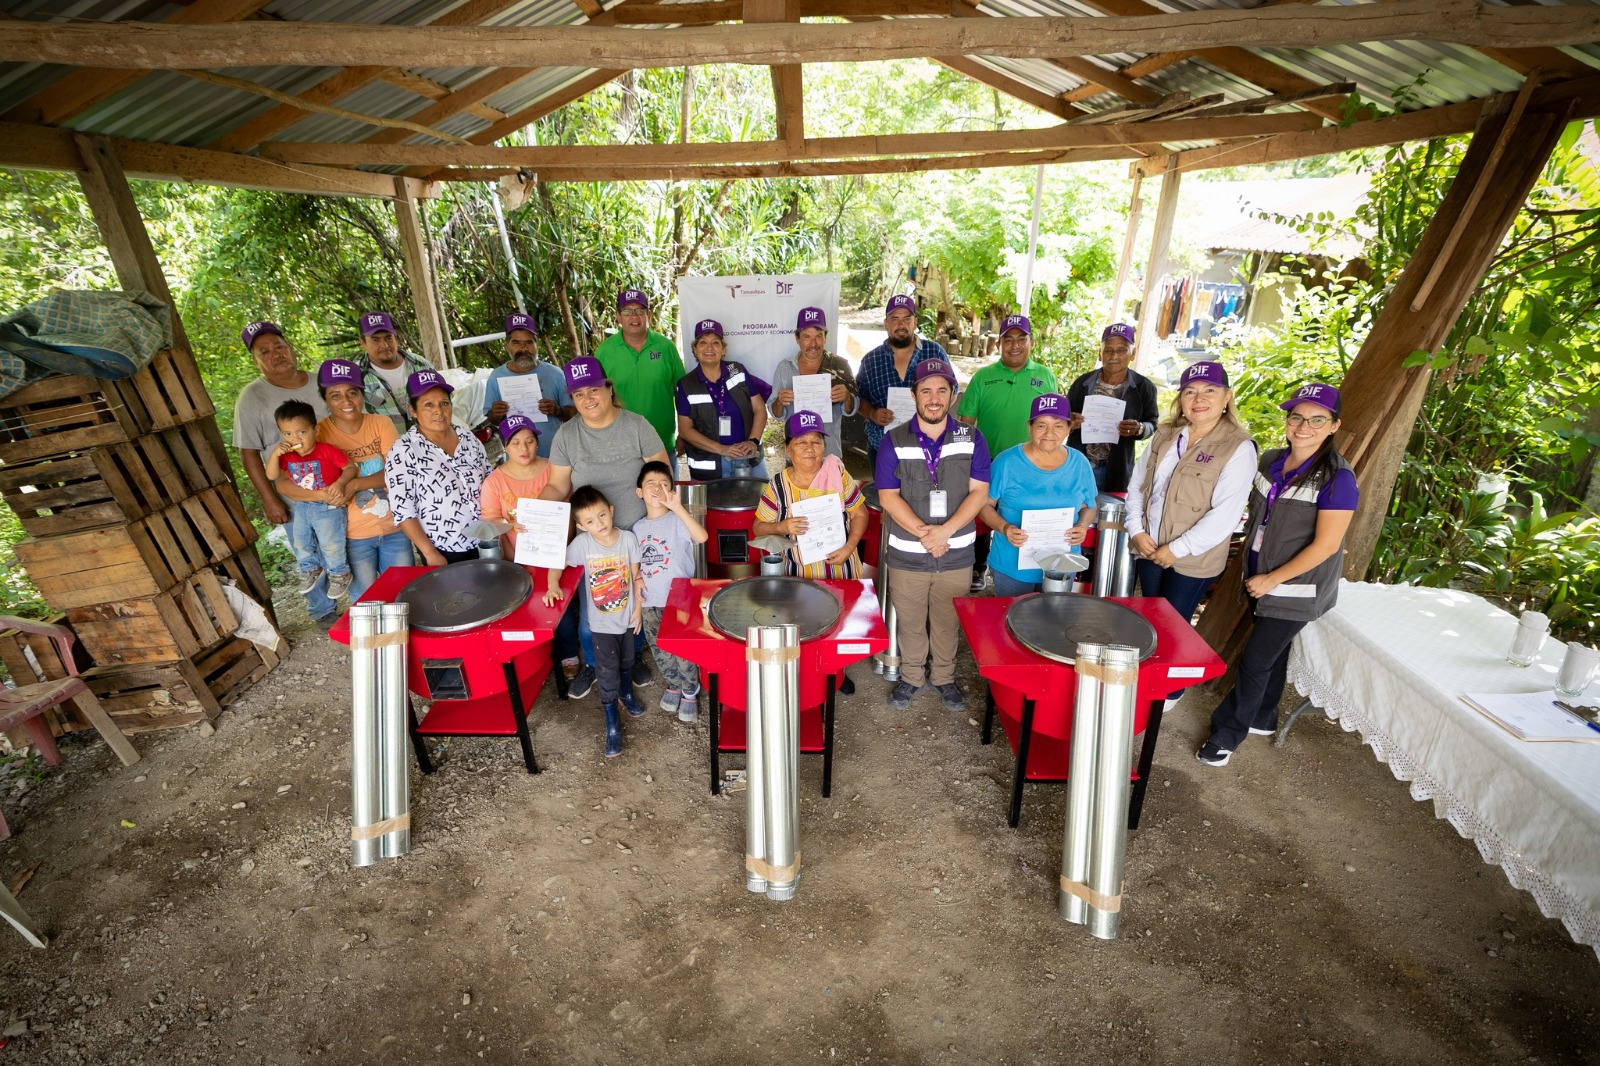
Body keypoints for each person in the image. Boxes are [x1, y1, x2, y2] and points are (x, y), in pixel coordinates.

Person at [1197, 383, 1358, 767]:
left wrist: (1273, 580)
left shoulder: (1338, 479)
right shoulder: (1270, 460)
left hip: (1296, 588)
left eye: (1317, 419)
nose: (1304, 426)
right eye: (1297, 417)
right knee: (1273, 652)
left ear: (1334, 425)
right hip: (1258, 574)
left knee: (1255, 659)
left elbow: (1326, 545)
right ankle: (1263, 716)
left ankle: (1227, 734)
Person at [546, 356, 671, 699]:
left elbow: (659, 474)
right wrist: (537, 513)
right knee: (595, 605)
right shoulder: (567, 434)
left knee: (637, 599)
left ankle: (633, 659)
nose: (588, 399)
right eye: (578, 394)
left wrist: (660, 518)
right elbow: (557, 487)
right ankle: (592, 664)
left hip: (637, 533)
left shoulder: (636, 425)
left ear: (608, 388)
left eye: (593, 389)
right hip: (594, 539)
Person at [874, 359, 991, 713]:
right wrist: (927, 535)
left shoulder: (972, 438)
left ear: (953, 395)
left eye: (942, 389)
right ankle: (911, 677)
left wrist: (946, 532)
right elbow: (887, 496)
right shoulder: (894, 439)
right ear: (914, 396)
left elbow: (979, 492)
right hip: (908, 552)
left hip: (955, 552)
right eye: (926, 390)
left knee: (945, 620)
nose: (934, 398)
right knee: (910, 622)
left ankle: (943, 677)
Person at [1125, 361, 1257, 629]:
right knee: (1150, 623)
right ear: (1181, 398)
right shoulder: (1165, 434)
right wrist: (1136, 530)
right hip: (1149, 547)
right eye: (1189, 392)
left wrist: (1175, 550)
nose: (1199, 399)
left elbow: (1225, 515)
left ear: (1227, 397)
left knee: (1173, 629)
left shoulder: (1238, 447)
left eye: (1209, 390)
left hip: (1192, 559)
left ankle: (1168, 672)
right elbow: (1138, 485)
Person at [751, 410, 871, 695]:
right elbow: (758, 528)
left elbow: (860, 514)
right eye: (801, 442)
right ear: (788, 449)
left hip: (840, 566)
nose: (809, 448)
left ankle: (835, 672)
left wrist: (849, 547)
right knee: (802, 626)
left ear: (824, 447)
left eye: (816, 441)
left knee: (839, 623)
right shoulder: (778, 486)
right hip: (799, 576)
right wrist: (783, 525)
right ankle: (805, 674)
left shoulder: (837, 473)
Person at [232, 320, 336, 625]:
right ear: (256, 360)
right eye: (265, 351)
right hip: (293, 489)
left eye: (279, 345)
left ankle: (361, 600)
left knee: (345, 540)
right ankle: (323, 610)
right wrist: (269, 498)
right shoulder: (252, 397)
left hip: (335, 481)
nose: (275, 354)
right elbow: (248, 452)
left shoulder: (322, 384)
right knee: (307, 551)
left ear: (290, 348)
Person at [956, 313, 1060, 592]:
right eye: (1008, 340)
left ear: (1031, 342)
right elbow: (966, 422)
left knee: (1019, 517)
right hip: (988, 463)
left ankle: (1023, 569)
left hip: (1031, 465)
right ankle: (979, 567)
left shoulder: (1045, 376)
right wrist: (965, 460)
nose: (1014, 345)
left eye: (1020, 339)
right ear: (999, 343)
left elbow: (1054, 421)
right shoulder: (984, 377)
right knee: (980, 514)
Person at [542, 486, 644, 758]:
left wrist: (639, 610)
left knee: (628, 661)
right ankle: (612, 722)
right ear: (580, 526)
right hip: (600, 625)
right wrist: (552, 585)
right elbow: (557, 563)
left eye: (602, 515)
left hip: (627, 618)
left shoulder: (629, 539)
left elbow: (636, 576)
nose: (598, 524)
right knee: (607, 670)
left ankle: (626, 694)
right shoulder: (582, 545)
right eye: (590, 521)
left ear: (611, 510)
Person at [978, 393, 1098, 596]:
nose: (1049, 433)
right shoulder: (1006, 461)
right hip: (1012, 565)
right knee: (1012, 621)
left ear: (1069, 428)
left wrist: (1082, 526)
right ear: (1030, 427)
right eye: (1041, 425)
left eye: (1058, 426)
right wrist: (1004, 527)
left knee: (1053, 622)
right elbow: (983, 505)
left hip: (1061, 565)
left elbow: (1089, 506)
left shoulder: (1079, 463)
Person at [315, 358, 412, 602]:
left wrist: (355, 484)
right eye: (335, 395)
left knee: (403, 595)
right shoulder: (318, 434)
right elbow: (291, 483)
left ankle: (402, 641)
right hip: (351, 535)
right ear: (325, 398)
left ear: (362, 393)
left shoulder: (380, 423)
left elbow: (395, 473)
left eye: (352, 393)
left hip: (395, 528)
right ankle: (374, 642)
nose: (346, 401)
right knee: (365, 601)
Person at [385, 369, 492, 566]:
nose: (439, 411)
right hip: (444, 549)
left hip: (485, 541)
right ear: (413, 410)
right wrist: (430, 553)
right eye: (428, 405)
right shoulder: (404, 451)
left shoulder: (467, 437)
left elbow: (490, 478)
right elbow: (403, 510)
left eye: (444, 403)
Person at [632, 461, 709, 723]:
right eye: (650, 483)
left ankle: (690, 690)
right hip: (650, 602)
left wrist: (678, 507)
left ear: (672, 490)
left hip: (680, 600)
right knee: (660, 649)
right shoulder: (637, 529)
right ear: (639, 492)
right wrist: (637, 577)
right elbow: (635, 563)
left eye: (664, 484)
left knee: (684, 649)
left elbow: (701, 537)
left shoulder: (677, 520)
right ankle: (673, 684)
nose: (657, 488)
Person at [266, 399, 356, 602]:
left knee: (330, 543)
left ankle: (340, 573)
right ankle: (310, 569)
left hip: (329, 506)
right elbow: (272, 476)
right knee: (300, 540)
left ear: (315, 431)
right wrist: (274, 455)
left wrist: (340, 483)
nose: (295, 438)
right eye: (288, 434)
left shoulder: (326, 450)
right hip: (303, 506)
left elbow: (351, 468)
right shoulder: (287, 457)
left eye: (302, 432)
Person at [857, 295, 948, 474]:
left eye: (907, 319)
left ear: (915, 322)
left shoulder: (935, 352)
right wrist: (873, 414)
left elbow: (952, 392)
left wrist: (933, 411)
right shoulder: (871, 360)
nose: (901, 325)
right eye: (895, 319)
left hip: (928, 444)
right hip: (882, 447)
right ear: (886, 324)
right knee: (885, 498)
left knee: (924, 498)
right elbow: (860, 398)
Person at [1066, 323, 1161, 492]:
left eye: (1122, 350)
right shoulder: (1082, 383)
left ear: (1133, 353)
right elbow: (1062, 419)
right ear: (1100, 353)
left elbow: (1152, 424)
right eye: (1108, 350)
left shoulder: (1143, 387)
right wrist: (1069, 421)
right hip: (1078, 467)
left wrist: (1139, 428)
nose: (1114, 356)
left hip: (1115, 471)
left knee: (1107, 515)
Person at [674, 318, 768, 480]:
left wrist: (753, 441)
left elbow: (760, 409)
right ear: (695, 349)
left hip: (748, 459)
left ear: (723, 350)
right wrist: (722, 449)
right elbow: (685, 429)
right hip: (709, 466)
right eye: (703, 342)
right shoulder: (685, 385)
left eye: (715, 343)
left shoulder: (738, 370)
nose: (709, 348)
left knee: (761, 503)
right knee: (711, 506)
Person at [594, 288, 685, 455]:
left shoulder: (666, 348)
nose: (634, 316)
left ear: (648, 315)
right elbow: (596, 398)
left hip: (662, 441)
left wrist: (684, 434)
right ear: (618, 316)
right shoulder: (604, 352)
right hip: (619, 444)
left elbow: (682, 394)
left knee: (665, 482)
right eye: (627, 311)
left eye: (640, 311)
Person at [768, 306, 859, 462]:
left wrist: (847, 397)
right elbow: (776, 414)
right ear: (797, 339)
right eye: (807, 337)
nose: (813, 343)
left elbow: (851, 410)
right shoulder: (785, 367)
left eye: (818, 336)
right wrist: (779, 402)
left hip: (829, 454)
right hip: (796, 455)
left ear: (825, 337)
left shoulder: (839, 365)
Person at [482, 312, 573, 460]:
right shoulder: (496, 377)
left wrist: (558, 410)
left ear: (537, 345)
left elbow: (574, 413)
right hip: (518, 461)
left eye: (529, 342)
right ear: (507, 346)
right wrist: (496, 413)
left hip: (555, 457)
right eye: (516, 342)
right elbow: (493, 419)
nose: (523, 348)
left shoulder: (555, 374)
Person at [479, 414, 551, 560]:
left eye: (529, 441)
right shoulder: (494, 482)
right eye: (515, 443)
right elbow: (491, 524)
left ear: (537, 443)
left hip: (554, 554)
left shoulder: (554, 470)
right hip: (515, 558)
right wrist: (513, 560)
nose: (523, 448)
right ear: (505, 446)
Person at [351, 311, 434, 434]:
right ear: (363, 343)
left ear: (396, 337)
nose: (384, 345)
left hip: (430, 441)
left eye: (388, 337)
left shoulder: (420, 365)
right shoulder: (355, 376)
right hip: (387, 447)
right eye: (375, 340)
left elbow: (445, 400)